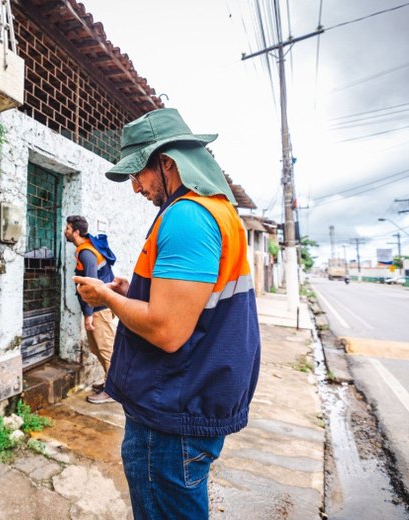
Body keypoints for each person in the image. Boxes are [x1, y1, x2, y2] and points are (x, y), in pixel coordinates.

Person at [74, 108, 261, 520]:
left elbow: (167, 329)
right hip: (186, 398)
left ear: (168, 163)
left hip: (173, 409)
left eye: (138, 173)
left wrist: (106, 297)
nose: (136, 187)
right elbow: (186, 302)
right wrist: (131, 291)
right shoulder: (214, 211)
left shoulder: (187, 217)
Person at [64, 215, 117, 404]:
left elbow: (92, 286)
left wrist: (88, 315)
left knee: (106, 349)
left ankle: (113, 391)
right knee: (97, 348)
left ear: (76, 232)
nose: (65, 231)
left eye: (68, 228)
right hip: (97, 309)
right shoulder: (84, 248)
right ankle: (110, 383)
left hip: (99, 309)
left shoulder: (86, 252)